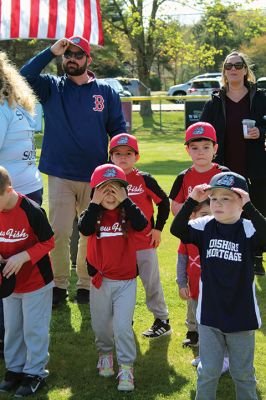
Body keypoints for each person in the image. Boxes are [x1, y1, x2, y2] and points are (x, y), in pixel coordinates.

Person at [20, 36, 127, 306]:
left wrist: (116, 168)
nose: (72, 59)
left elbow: (117, 131)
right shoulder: (52, 87)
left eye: (79, 55)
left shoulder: (106, 91)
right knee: (59, 232)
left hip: (96, 178)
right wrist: (51, 50)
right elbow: (24, 76)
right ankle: (57, 284)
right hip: (60, 174)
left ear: (88, 60)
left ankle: (85, 283)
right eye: (68, 55)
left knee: (90, 232)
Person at [170, 171, 266, 400]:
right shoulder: (205, 225)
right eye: (213, 198)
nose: (218, 204)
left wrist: (250, 208)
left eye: (226, 198)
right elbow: (177, 229)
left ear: (241, 201)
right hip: (210, 315)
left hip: (241, 316)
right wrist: (192, 200)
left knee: (243, 373)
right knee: (208, 371)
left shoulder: (247, 228)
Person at [78, 164, 147, 392]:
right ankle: (105, 354)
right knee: (101, 326)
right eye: (104, 189)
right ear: (95, 192)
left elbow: (142, 224)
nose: (110, 194)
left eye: (116, 189)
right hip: (100, 281)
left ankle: (126, 366)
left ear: (124, 192)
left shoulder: (128, 213)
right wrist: (94, 203)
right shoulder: (91, 213)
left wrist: (126, 201)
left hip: (126, 282)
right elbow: (85, 230)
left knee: (122, 327)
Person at [200, 50, 266, 276]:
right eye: (229, 66)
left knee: (256, 209)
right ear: (224, 72)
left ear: (246, 70)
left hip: (256, 165)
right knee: (227, 210)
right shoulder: (216, 100)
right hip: (226, 166)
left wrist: (262, 131)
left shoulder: (260, 97)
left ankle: (257, 256)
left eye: (238, 65)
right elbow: (203, 131)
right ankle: (229, 252)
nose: (234, 69)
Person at [169, 122, 229, 347]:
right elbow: (175, 204)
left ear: (215, 148)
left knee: (217, 281)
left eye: (206, 146)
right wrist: (188, 220)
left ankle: (219, 324)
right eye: (195, 147)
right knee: (193, 282)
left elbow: (234, 202)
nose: (201, 152)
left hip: (219, 236)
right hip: (193, 238)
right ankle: (193, 329)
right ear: (187, 150)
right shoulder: (184, 176)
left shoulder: (223, 174)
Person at [0, 51, 43, 358]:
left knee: (7, 266)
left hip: (7, 195)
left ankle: (8, 339)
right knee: (21, 266)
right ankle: (19, 335)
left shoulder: (2, 108)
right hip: (30, 190)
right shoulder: (25, 104)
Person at [109, 133, 171, 338]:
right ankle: (124, 318)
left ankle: (162, 319)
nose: (123, 158)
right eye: (117, 154)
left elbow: (163, 202)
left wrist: (158, 228)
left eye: (128, 153)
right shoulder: (108, 181)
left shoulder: (144, 179)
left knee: (151, 283)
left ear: (137, 156)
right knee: (121, 285)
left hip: (144, 242)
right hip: (118, 244)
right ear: (111, 157)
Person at [0, 166, 54, 397]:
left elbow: (49, 242)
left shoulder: (31, 210)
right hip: (10, 283)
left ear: (9, 190)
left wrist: (23, 256)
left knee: (34, 328)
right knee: (12, 328)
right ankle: (14, 369)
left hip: (36, 281)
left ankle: (35, 372)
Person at [177, 199, 229, 373]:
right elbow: (181, 261)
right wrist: (182, 283)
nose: (210, 219)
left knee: (221, 326)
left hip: (216, 293)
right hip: (195, 292)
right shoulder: (189, 236)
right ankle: (207, 356)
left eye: (213, 215)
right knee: (202, 326)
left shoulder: (221, 234)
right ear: (193, 216)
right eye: (205, 215)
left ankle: (226, 358)